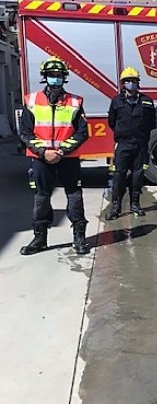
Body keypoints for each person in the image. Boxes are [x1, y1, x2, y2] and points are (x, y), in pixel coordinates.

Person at [19, 56, 90, 255]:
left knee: (74, 196)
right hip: (42, 159)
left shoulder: (75, 102)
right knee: (42, 197)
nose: (56, 79)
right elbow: (25, 132)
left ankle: (79, 238)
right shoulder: (31, 101)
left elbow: (82, 132)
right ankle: (39, 238)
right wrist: (43, 152)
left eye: (59, 76)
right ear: (45, 77)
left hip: (67, 159)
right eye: (52, 75)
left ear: (64, 78)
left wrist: (61, 151)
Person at [106, 67, 156, 220]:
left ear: (138, 83)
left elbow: (152, 122)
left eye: (133, 81)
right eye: (127, 81)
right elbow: (111, 122)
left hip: (140, 145)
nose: (130, 83)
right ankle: (116, 206)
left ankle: (135, 204)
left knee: (137, 175)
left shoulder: (147, 101)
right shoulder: (116, 101)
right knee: (119, 176)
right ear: (123, 84)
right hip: (123, 144)